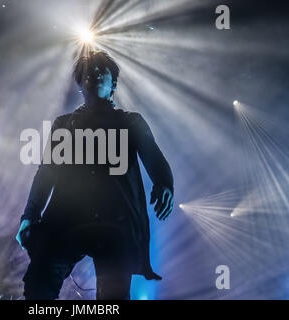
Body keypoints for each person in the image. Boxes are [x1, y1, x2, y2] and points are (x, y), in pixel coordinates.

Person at [16, 50, 174, 300]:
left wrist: (164, 183)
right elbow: (47, 171)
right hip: (66, 219)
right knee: (38, 287)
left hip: (115, 223)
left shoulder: (131, 122)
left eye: (103, 71)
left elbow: (154, 157)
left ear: (114, 84)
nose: (97, 74)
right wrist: (30, 214)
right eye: (90, 72)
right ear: (81, 84)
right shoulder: (64, 124)